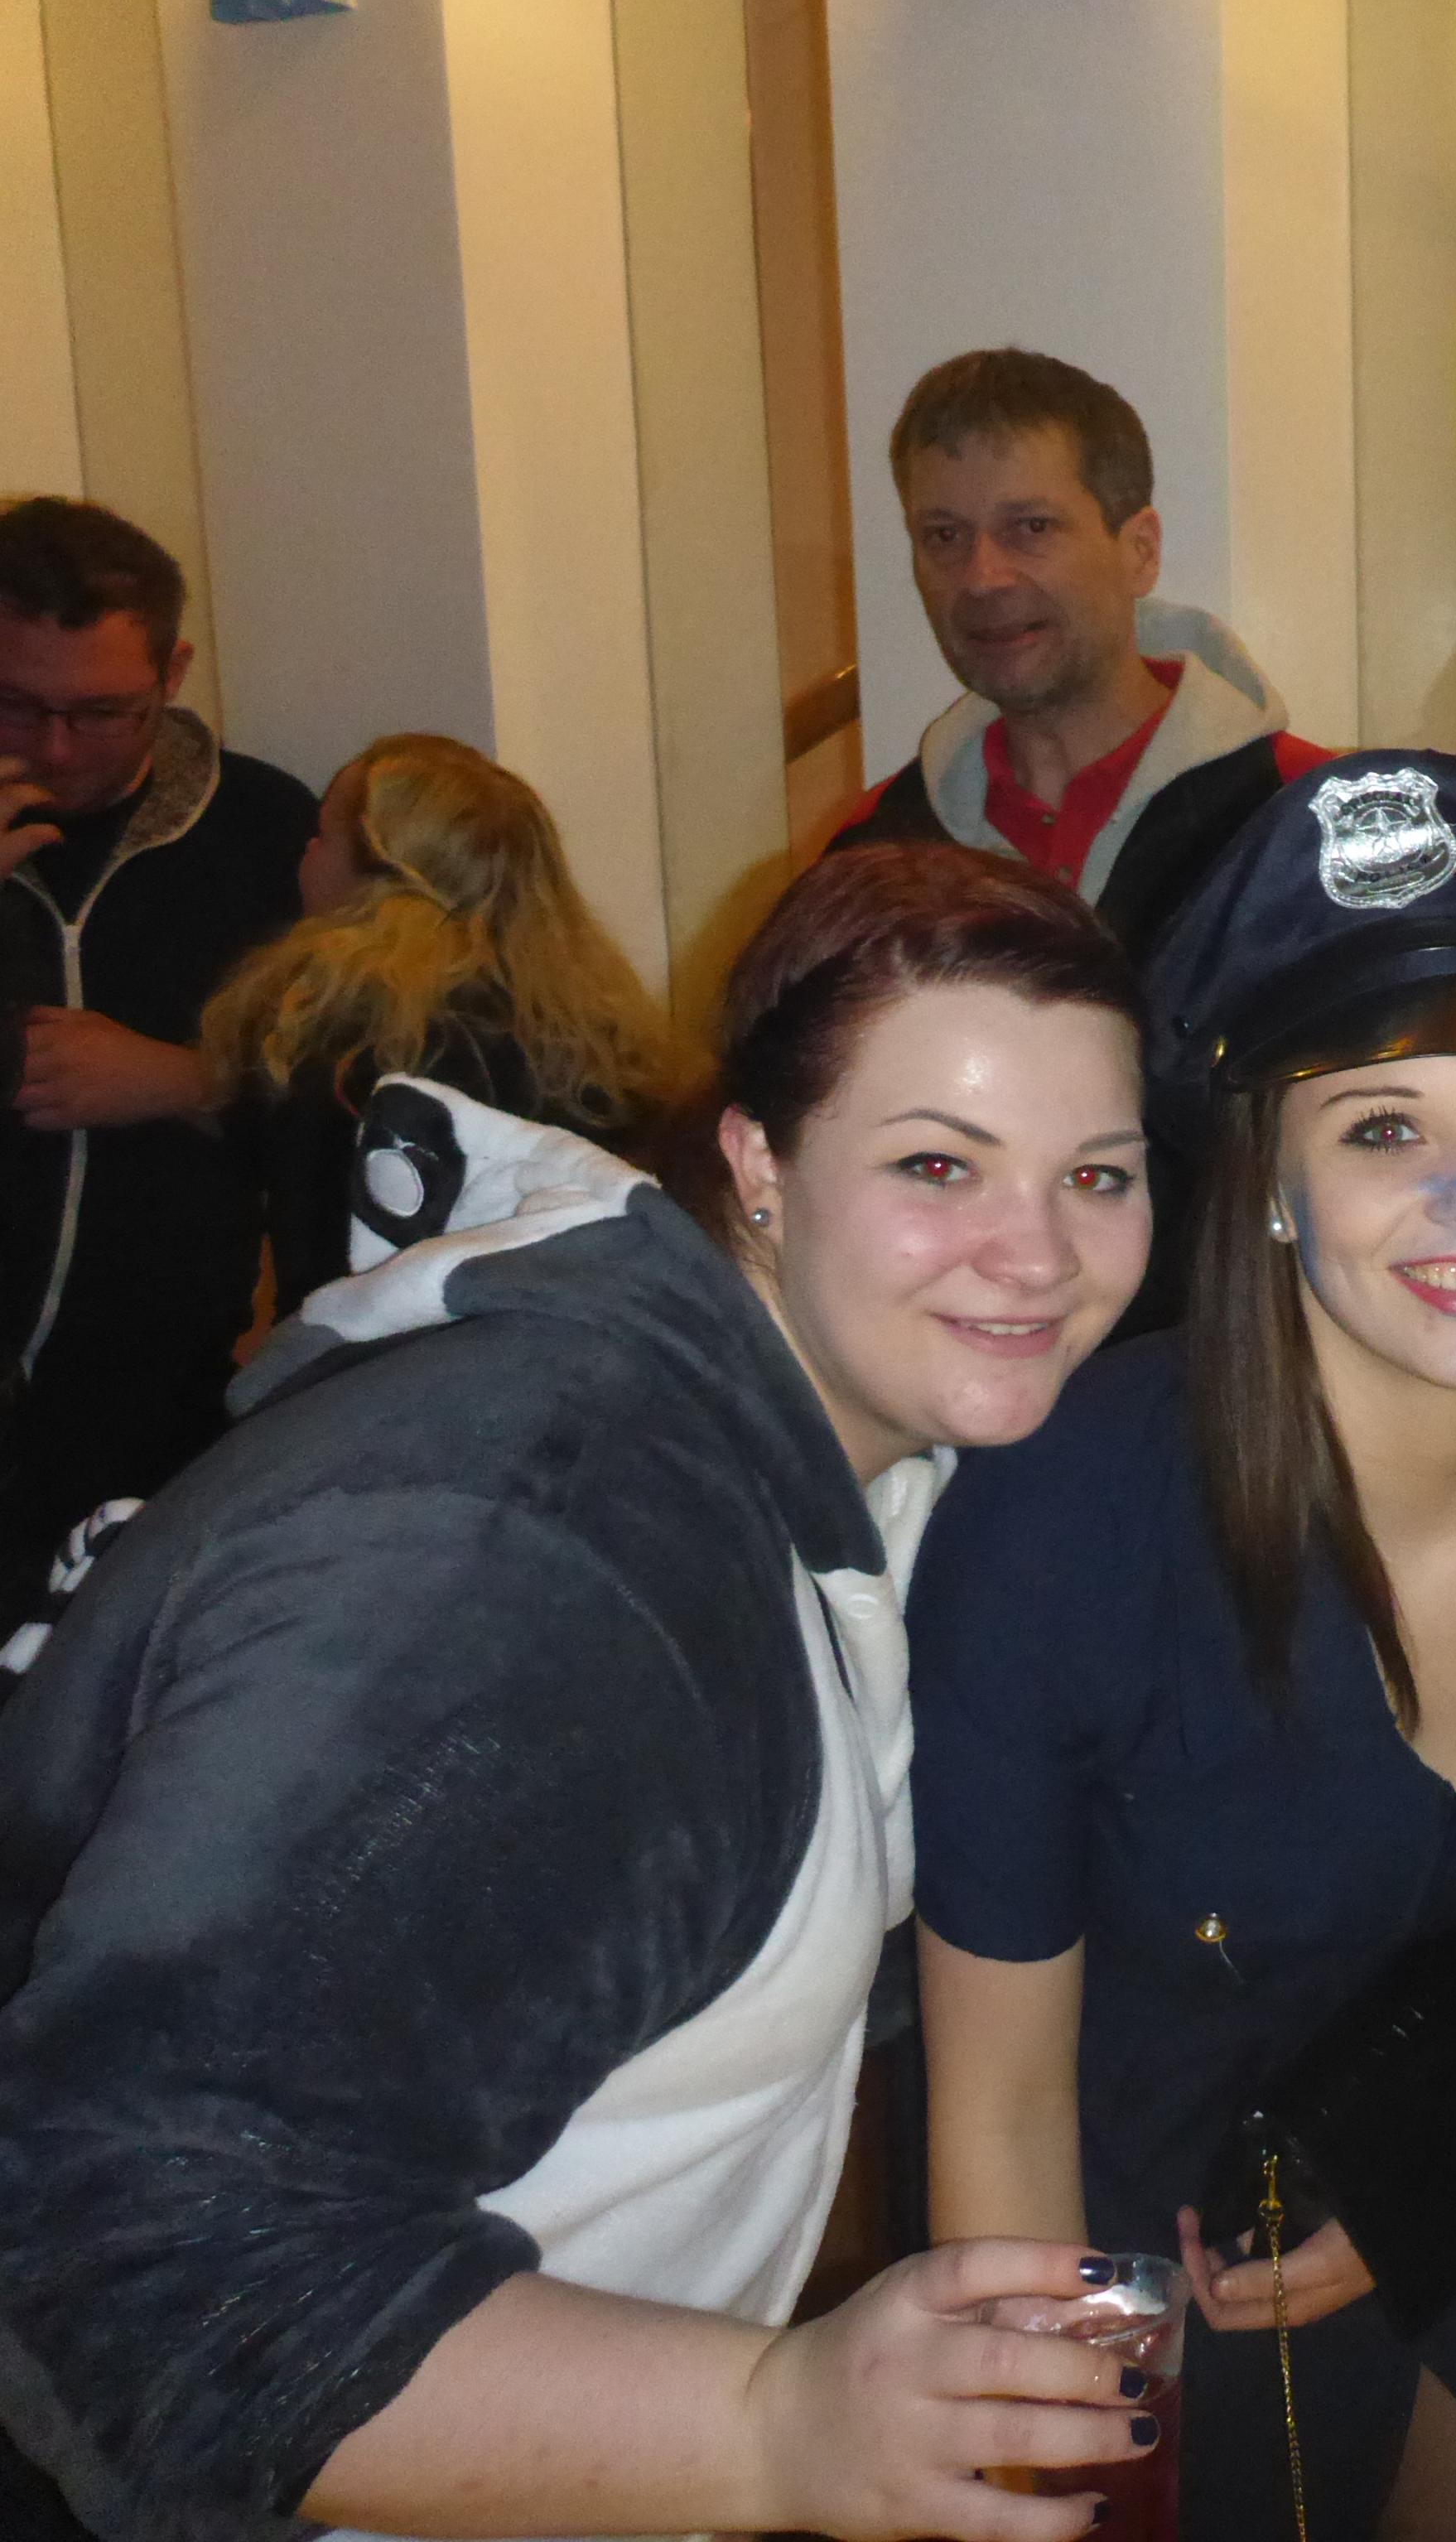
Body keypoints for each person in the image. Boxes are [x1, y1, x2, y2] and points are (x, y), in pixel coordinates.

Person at [0, 842, 1161, 2542]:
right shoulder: (531, 1555)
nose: (1038, 1253)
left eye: (1099, 1176)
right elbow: (135, 2256)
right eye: (938, 1163)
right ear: (759, 1164)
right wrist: (773, 2425)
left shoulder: (848, 1458)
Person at [909, 754, 1456, 2539]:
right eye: (1382, 1129)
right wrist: (1054, 2459)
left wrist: (1450, 2152)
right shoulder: (1064, 1521)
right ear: (1271, 1179)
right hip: (1121, 2241)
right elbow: (999, 2099)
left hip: (1432, 2157)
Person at [831, 346, 1335, 1332]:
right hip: (959, 1376)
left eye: (1031, 528)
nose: (983, 577)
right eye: (944, 537)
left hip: (1243, 1387)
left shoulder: (1300, 821)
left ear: (1139, 548)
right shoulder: (871, 850)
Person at [0, 496, 311, 1625]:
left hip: (161, 1431)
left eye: (101, 712)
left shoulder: (268, 834)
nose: (54, 748)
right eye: (16, 704)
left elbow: (364, 1104)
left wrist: (185, 1080)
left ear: (172, 674)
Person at [201, 731, 684, 1317]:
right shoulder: (595, 1036)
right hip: (581, 1341)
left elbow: (321, 1264)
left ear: (379, 882)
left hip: (396, 1356)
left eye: (322, 837)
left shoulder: (338, 1042)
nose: (305, 854)